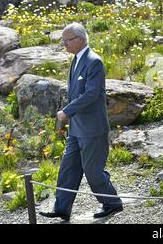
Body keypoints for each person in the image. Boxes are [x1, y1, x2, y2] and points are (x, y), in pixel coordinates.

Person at [40, 22, 123, 221]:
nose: (64, 44)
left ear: (80, 40)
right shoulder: (76, 59)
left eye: (66, 40)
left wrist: (66, 111)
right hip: (76, 129)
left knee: (93, 171)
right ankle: (62, 208)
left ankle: (112, 203)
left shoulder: (94, 61)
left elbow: (92, 94)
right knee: (68, 167)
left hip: (93, 128)